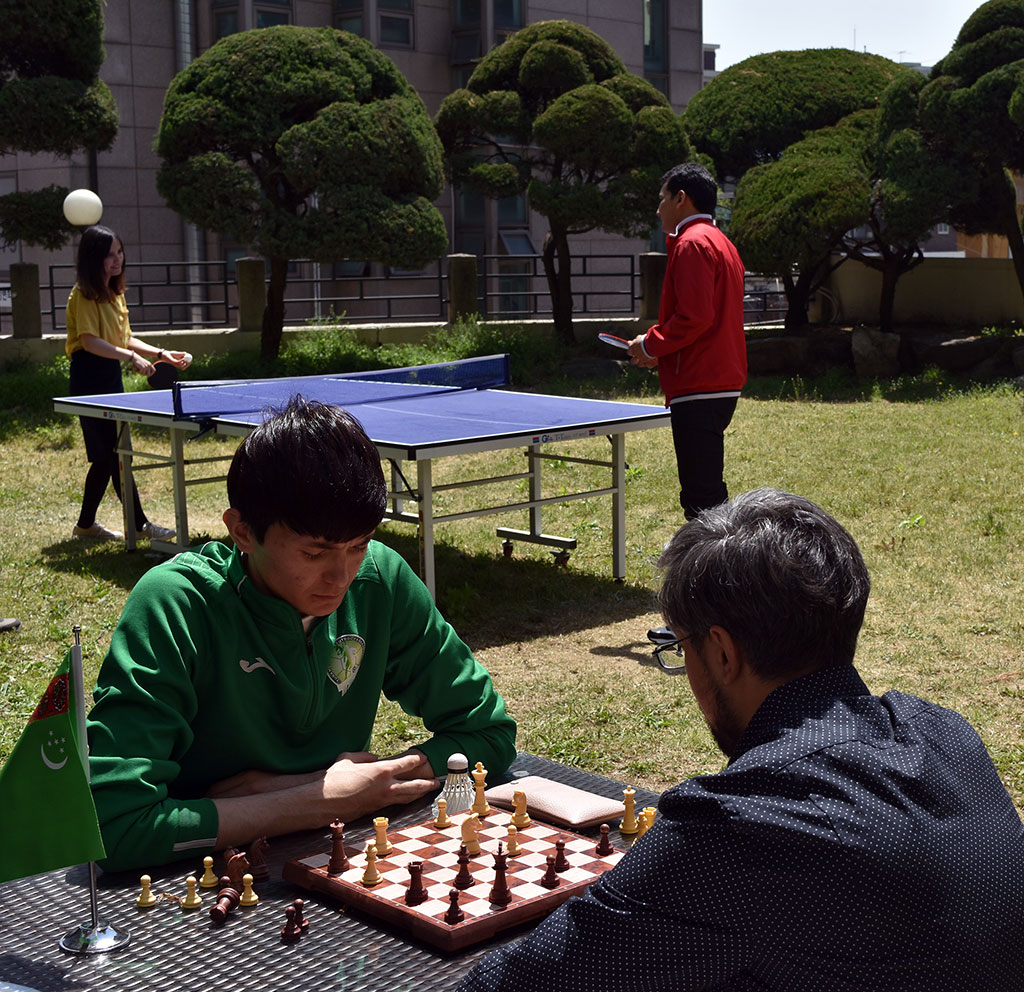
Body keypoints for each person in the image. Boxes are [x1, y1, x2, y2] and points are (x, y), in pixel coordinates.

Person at [458, 489, 1024, 992]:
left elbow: (536, 977)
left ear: (723, 653)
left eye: (683, 648)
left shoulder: (741, 823)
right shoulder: (947, 734)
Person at [86, 397, 516, 872]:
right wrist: (320, 799)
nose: (342, 576)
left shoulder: (382, 580)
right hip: (198, 882)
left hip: (328, 865)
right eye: (314, 554)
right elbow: (114, 827)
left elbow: (489, 734)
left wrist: (368, 781)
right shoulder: (176, 604)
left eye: (358, 545)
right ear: (243, 532)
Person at [627, 162, 746, 522]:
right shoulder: (722, 243)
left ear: (682, 198)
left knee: (701, 495)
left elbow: (694, 317)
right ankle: (716, 563)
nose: (658, 207)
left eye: (662, 198)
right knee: (705, 488)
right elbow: (707, 320)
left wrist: (649, 345)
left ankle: (715, 569)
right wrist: (659, 353)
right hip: (719, 378)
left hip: (699, 382)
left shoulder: (692, 243)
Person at [66, 224, 190, 542]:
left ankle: (85, 526)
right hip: (89, 378)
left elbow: (126, 338)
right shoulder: (83, 295)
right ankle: (140, 525)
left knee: (110, 456)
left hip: (109, 378)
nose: (116, 259)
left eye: (119, 252)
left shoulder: (114, 293)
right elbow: (91, 341)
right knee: (116, 455)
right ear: (94, 258)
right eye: (109, 254)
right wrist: (128, 358)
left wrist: (162, 353)